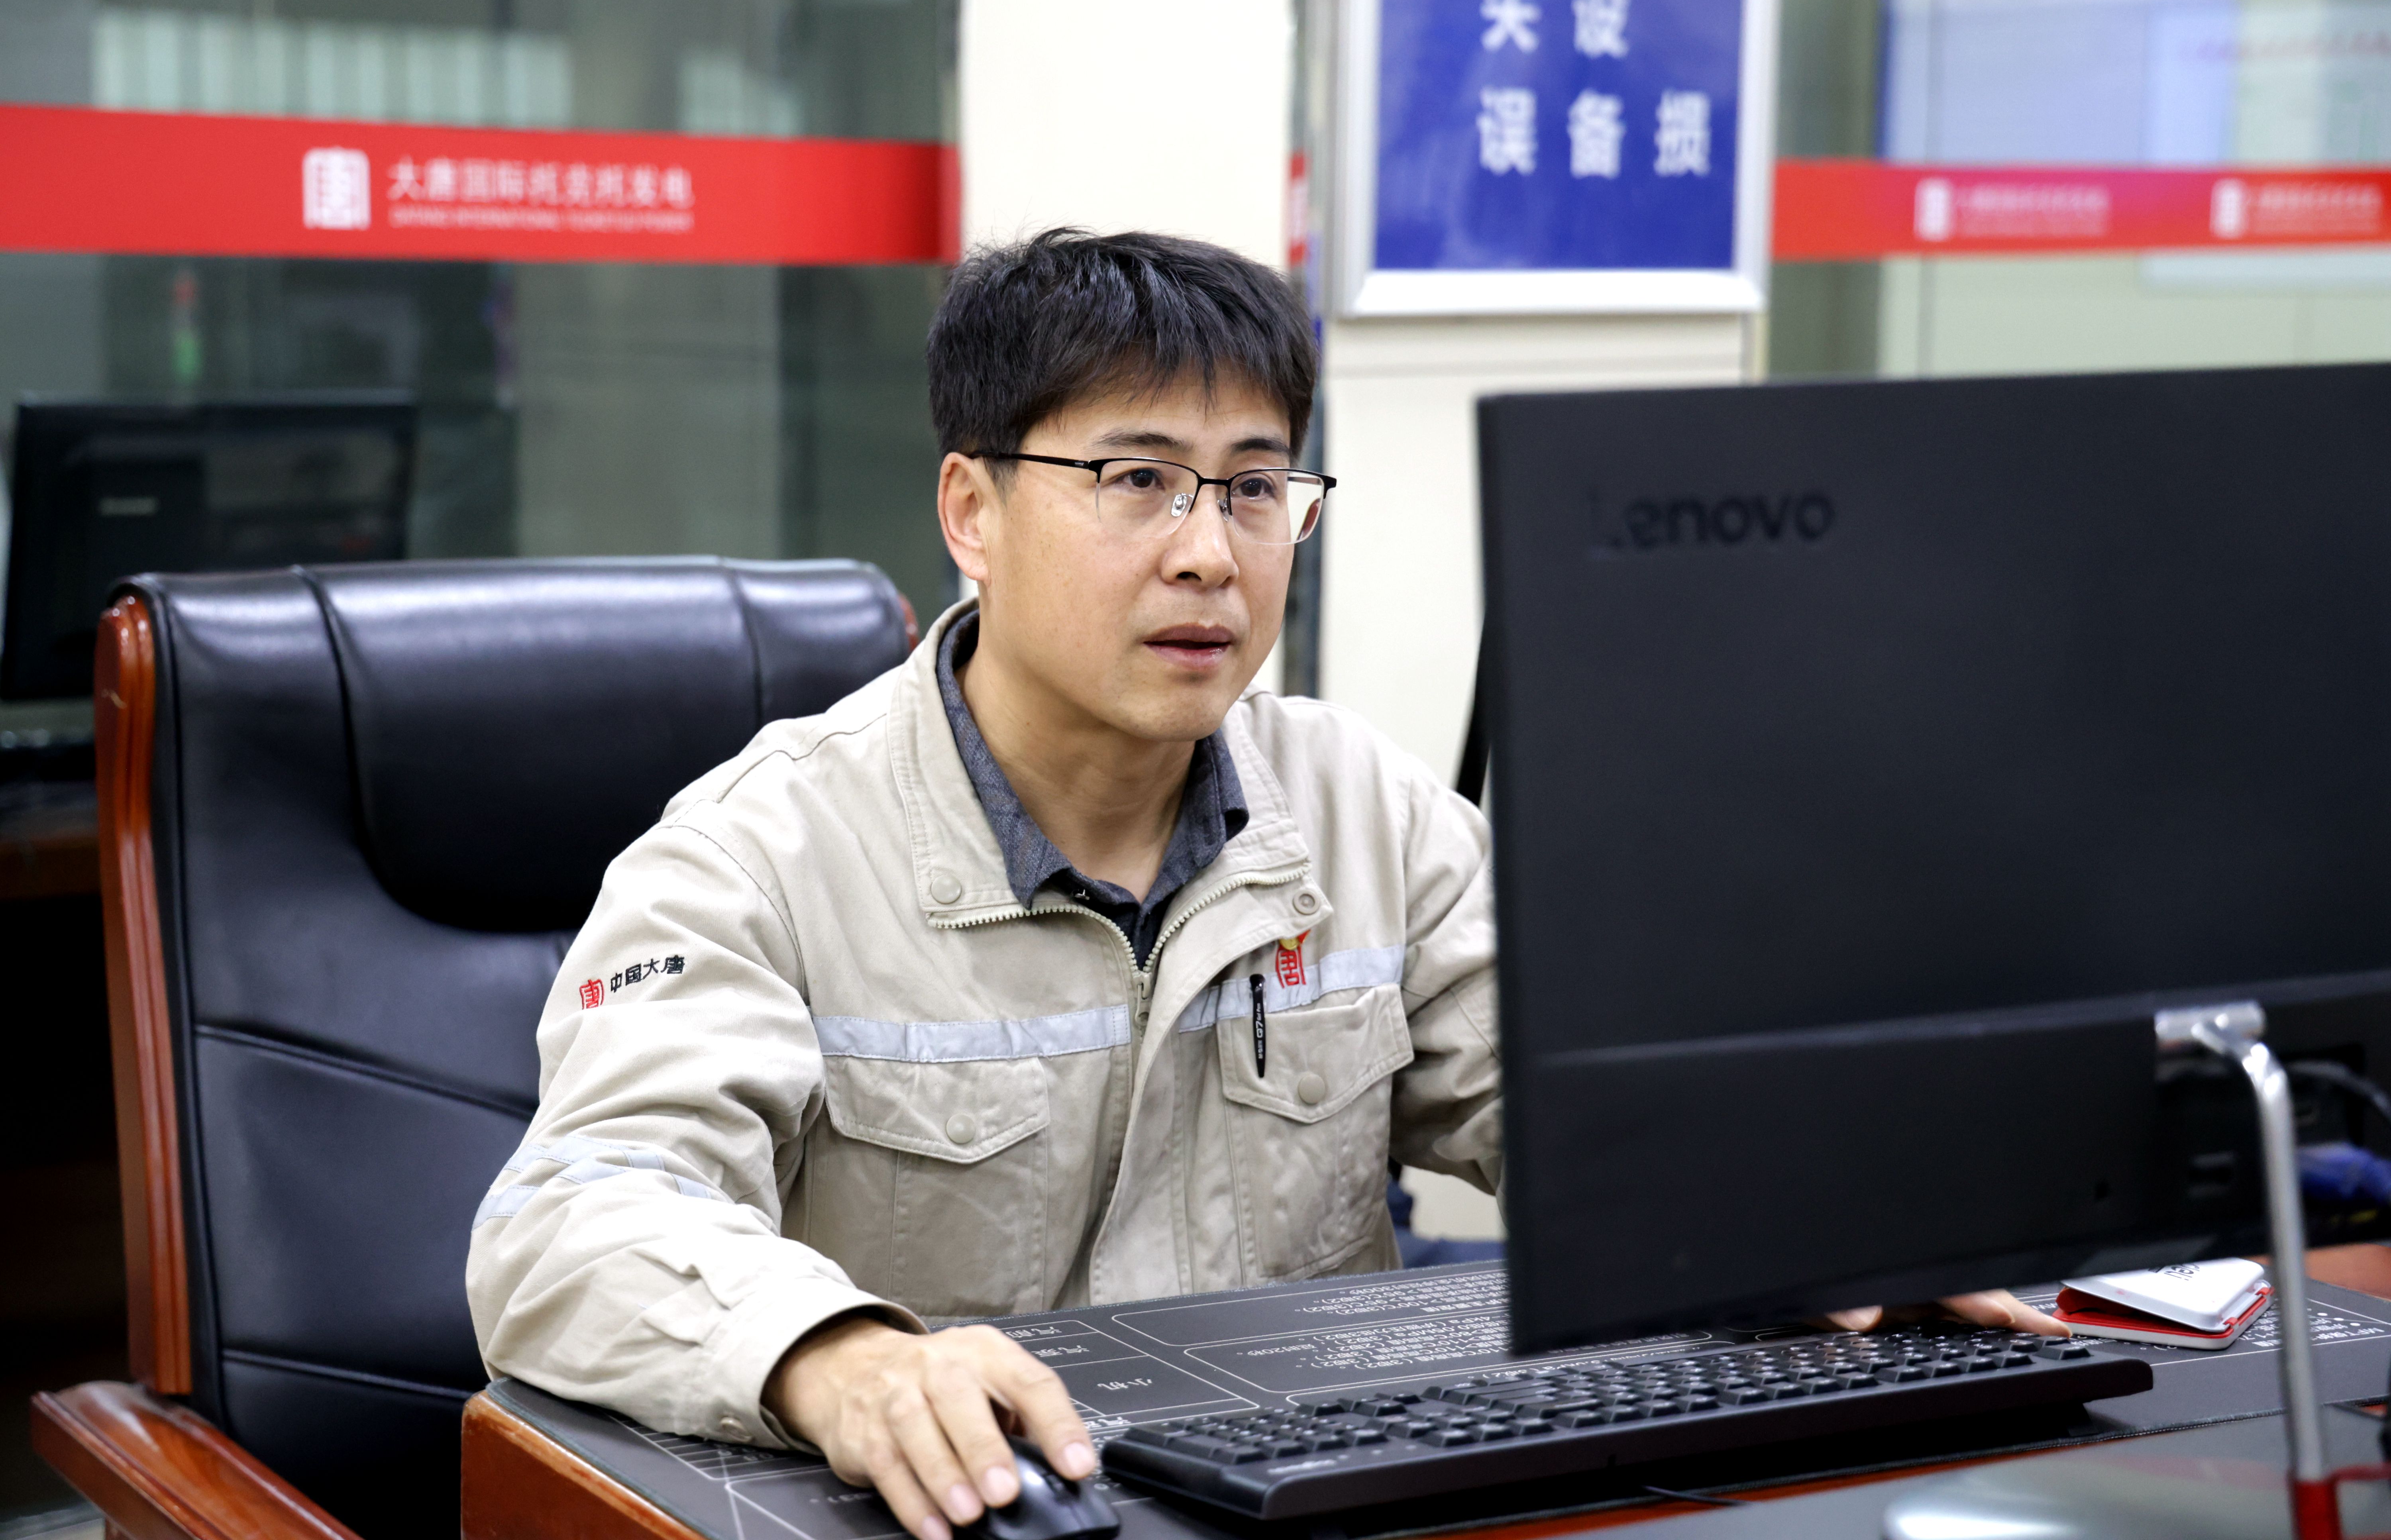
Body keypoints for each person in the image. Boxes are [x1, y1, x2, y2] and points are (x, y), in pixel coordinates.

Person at [466, 229, 2060, 1540]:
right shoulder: (762, 847)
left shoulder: (1357, 805)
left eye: (1252, 486)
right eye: (1137, 479)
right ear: (972, 513)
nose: (1211, 554)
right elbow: (573, 1221)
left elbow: (1588, 1108)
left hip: (1306, 1498)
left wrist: (1819, 1221)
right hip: (971, 1519)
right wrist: (838, 1356)